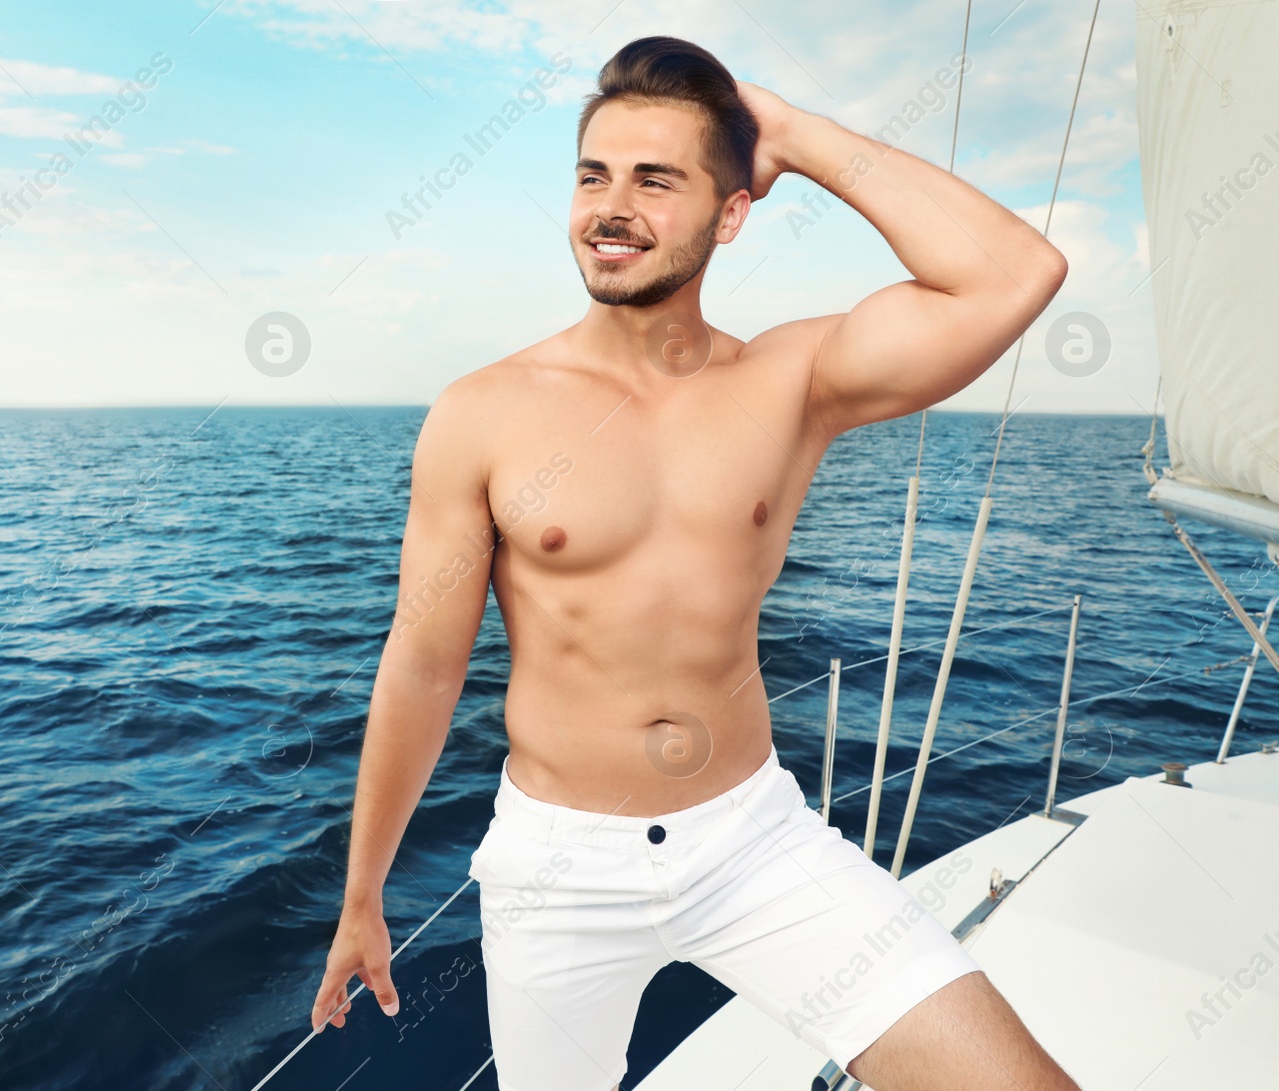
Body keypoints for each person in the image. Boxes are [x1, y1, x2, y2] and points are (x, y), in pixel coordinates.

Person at [311, 35, 1078, 1091]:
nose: (610, 206)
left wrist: (793, 133)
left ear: (729, 213)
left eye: (655, 180)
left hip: (751, 841)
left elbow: (1014, 273)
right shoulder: (482, 413)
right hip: (558, 870)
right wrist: (364, 894)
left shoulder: (790, 381)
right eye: (593, 175)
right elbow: (425, 662)